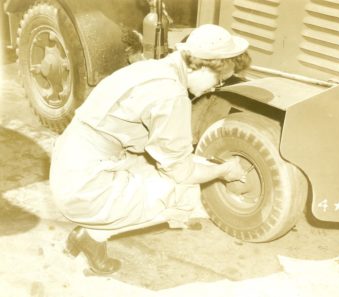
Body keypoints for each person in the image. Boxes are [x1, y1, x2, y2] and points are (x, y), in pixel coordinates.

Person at [49, 24, 251, 274]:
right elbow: (182, 173)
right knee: (186, 193)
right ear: (200, 65)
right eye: (218, 79)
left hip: (71, 163)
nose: (215, 87)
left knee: (169, 169)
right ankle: (93, 234)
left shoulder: (152, 68)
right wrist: (223, 171)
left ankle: (90, 231)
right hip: (83, 186)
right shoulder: (172, 95)